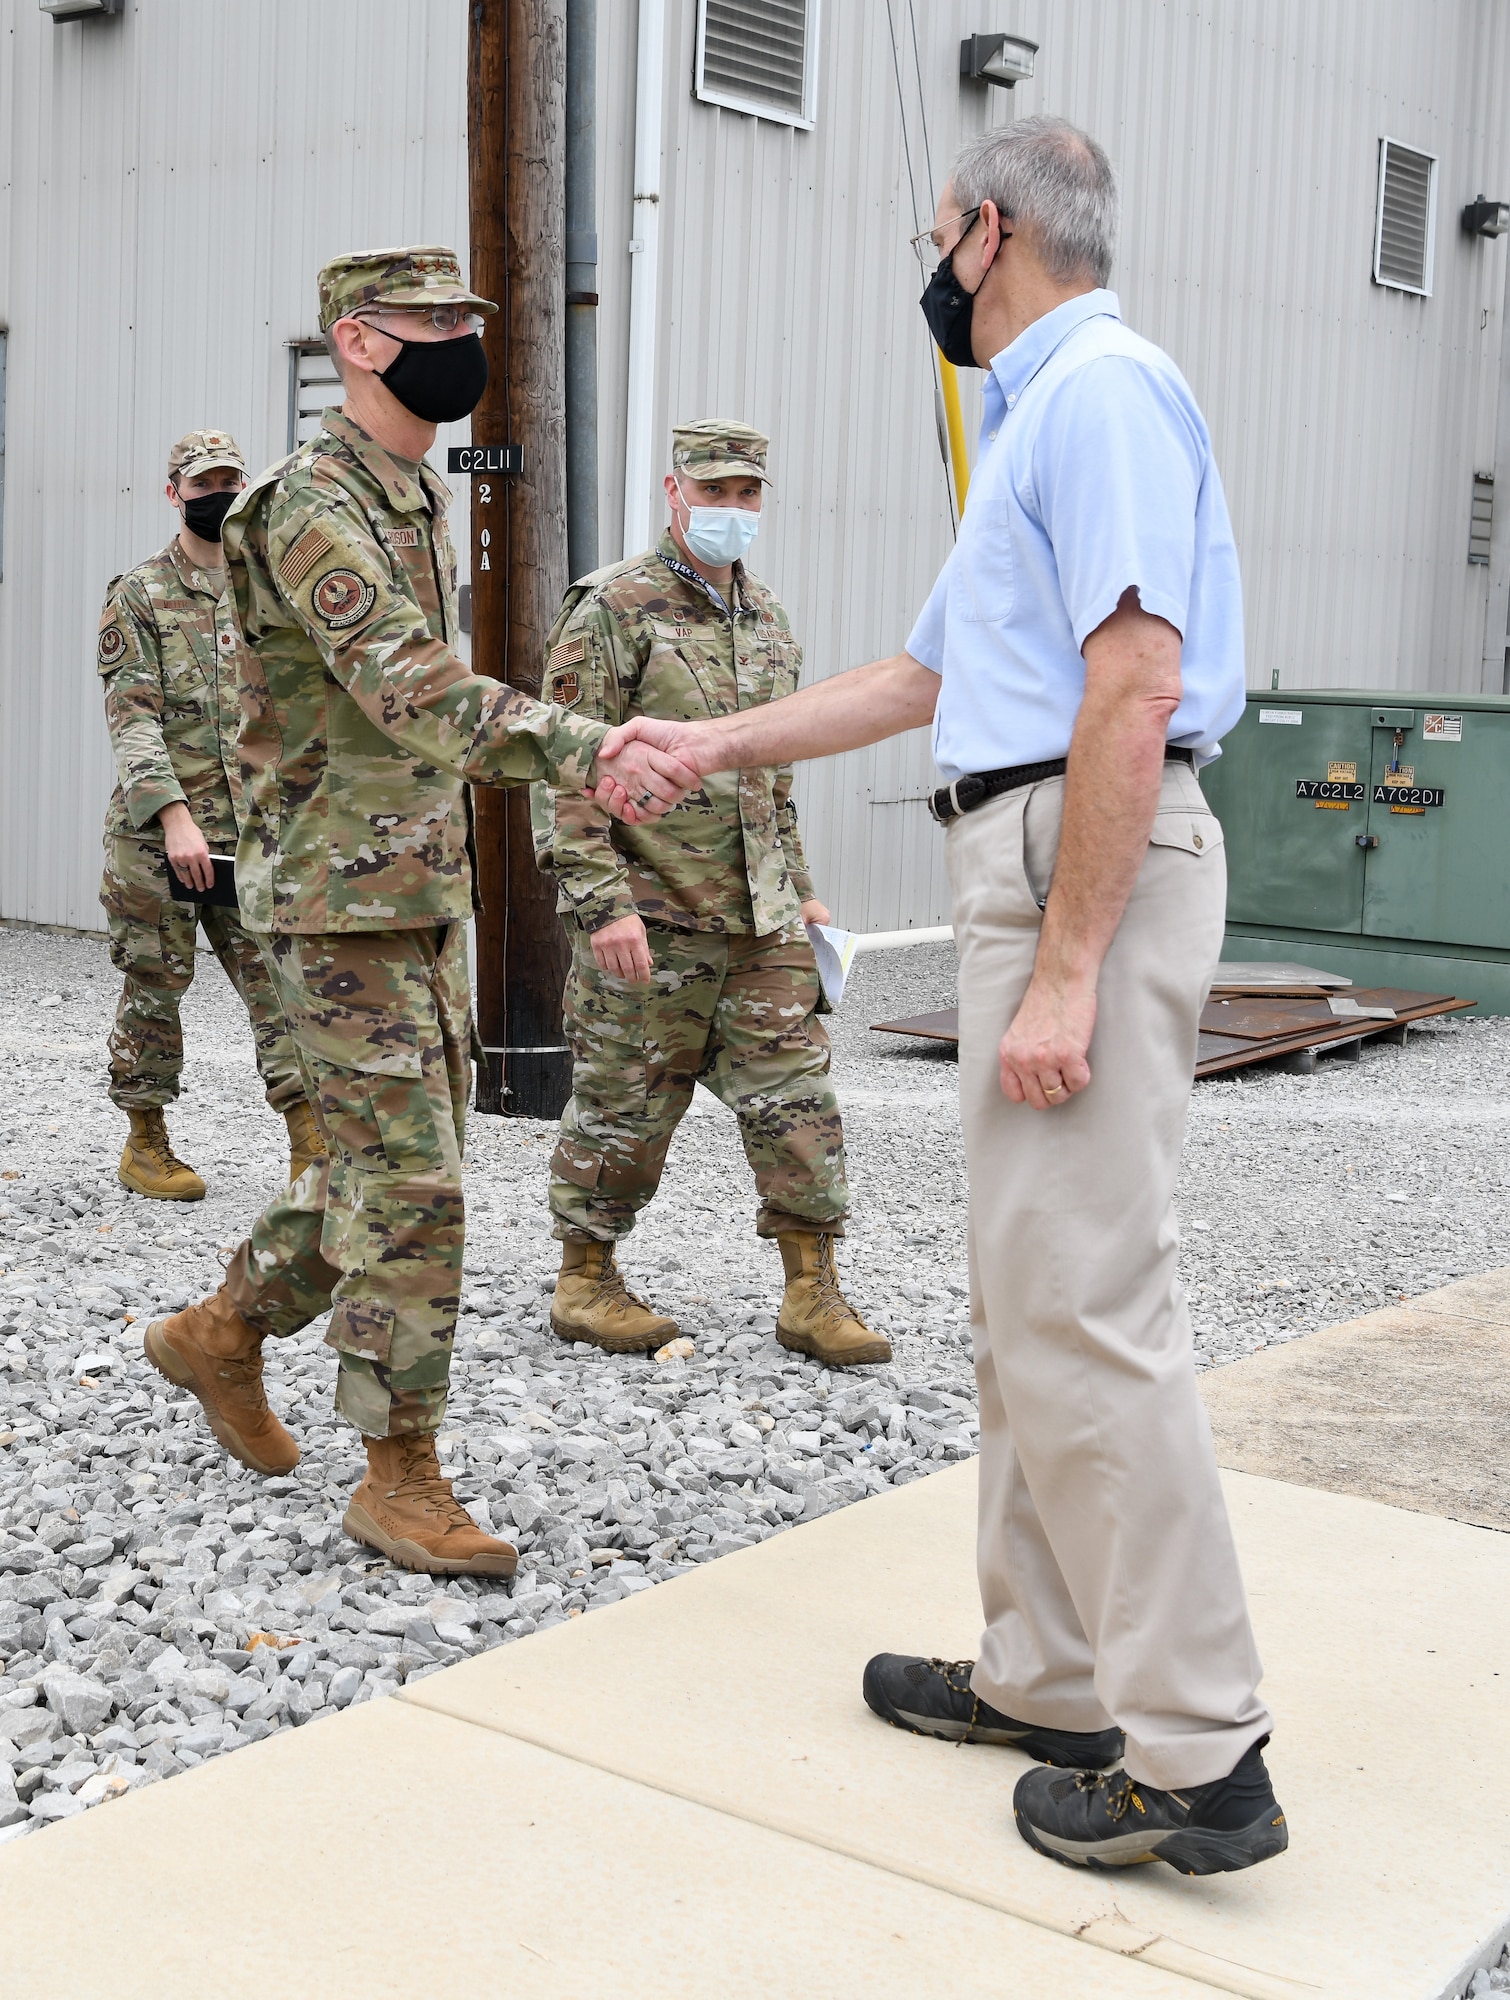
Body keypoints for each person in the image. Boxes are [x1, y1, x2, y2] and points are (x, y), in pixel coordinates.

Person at [598, 121, 1288, 1877]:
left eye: (937, 236)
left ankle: (1203, 1761)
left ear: (989, 233)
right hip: (1029, 842)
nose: (931, 268)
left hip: (1083, 860)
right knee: (1024, 1302)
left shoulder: (1106, 391)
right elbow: (928, 674)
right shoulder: (1030, 424)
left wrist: (1068, 968)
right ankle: (1053, 1678)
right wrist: (713, 741)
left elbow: (1135, 683)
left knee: (1091, 1300)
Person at [142, 246, 695, 1577]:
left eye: (467, 319)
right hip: (337, 907)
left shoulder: (407, 495)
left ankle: (219, 1332)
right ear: (357, 341)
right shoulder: (310, 503)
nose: (460, 338)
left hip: (414, 892)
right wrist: (590, 745)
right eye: (430, 321)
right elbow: (412, 691)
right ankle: (399, 1475)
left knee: (369, 1177)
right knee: (416, 1193)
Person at [533, 420, 887, 1368]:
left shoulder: (766, 617)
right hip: (652, 913)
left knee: (796, 1098)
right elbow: (562, 766)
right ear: (673, 490)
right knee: (625, 1101)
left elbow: (772, 774)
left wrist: (803, 890)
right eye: (715, 491)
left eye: (747, 493)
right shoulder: (613, 607)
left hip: (762, 921)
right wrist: (600, 903)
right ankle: (585, 1279)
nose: (732, 509)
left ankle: (812, 1291)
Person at [97, 430, 325, 1201]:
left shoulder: (264, 590)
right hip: (158, 839)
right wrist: (172, 817)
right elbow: (132, 716)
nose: (218, 495)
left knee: (279, 984)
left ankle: (311, 1149)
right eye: (203, 484)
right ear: (175, 493)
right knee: (155, 985)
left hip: (251, 838)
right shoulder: (138, 593)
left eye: (231, 480)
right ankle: (146, 1141)